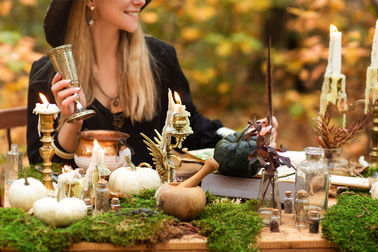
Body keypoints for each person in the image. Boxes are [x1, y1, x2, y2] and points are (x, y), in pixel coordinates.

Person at [27, 0, 277, 167]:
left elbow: (192, 129)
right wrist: (73, 123)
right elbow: (42, 169)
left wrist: (244, 137)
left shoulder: (160, 58)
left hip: (157, 208)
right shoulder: (50, 73)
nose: (139, 0)